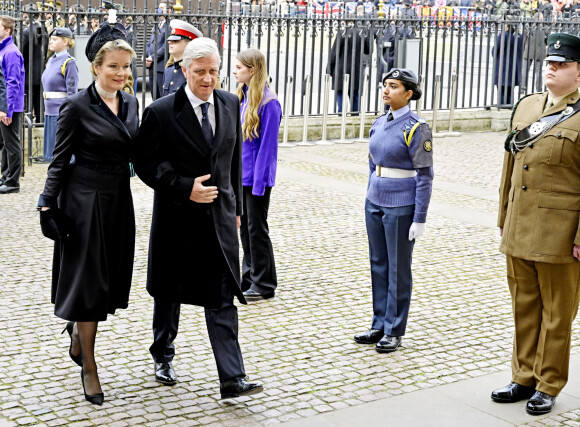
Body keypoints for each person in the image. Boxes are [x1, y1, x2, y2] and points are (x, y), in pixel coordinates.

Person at [134, 37, 263, 399]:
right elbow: (145, 164)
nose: (208, 79)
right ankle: (162, 353)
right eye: (200, 72)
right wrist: (183, 187)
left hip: (219, 218)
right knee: (169, 291)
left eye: (214, 71)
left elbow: (232, 161)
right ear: (185, 70)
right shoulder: (160, 111)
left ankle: (232, 378)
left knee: (222, 294)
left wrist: (235, 209)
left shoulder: (229, 102)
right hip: (177, 219)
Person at [37, 21, 139, 405]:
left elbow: (140, 156)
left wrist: (178, 182)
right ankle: (90, 366)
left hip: (117, 200)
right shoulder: (76, 105)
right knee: (88, 280)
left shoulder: (131, 103)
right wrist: (47, 204)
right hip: (82, 201)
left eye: (126, 67)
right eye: (113, 66)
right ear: (96, 67)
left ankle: (79, 333)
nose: (121, 74)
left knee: (107, 278)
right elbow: (58, 161)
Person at [493, 33, 580, 416]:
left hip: (560, 233)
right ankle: (522, 375)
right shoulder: (528, 106)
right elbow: (510, 165)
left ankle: (548, 383)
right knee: (524, 306)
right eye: (550, 62)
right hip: (521, 225)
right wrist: (503, 217)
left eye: (562, 64)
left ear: (579, 72)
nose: (552, 68)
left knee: (557, 314)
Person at [354, 68, 433, 354]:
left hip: (401, 203)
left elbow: (424, 175)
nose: (386, 91)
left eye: (394, 87)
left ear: (408, 94)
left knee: (398, 268)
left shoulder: (416, 127)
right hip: (375, 199)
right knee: (379, 263)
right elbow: (371, 160)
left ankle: (394, 328)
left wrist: (419, 217)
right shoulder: (379, 122)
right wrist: (370, 191)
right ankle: (379, 322)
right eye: (385, 85)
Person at [233, 49, 282, 301]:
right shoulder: (242, 96)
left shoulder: (269, 103)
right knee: (244, 230)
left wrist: (260, 184)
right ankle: (249, 276)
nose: (235, 71)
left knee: (257, 229)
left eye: (239, 67)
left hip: (257, 179)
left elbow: (268, 149)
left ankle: (264, 283)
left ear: (252, 70)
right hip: (241, 176)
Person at [41, 27, 78, 163]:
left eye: (54, 39)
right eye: (51, 39)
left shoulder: (69, 62)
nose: (51, 42)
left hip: (61, 112)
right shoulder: (51, 60)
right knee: (52, 155)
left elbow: (72, 92)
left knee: (62, 154)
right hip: (49, 111)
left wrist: (68, 113)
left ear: (65, 42)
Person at [0, 16, 25, 195]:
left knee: (11, 143)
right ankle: (5, 176)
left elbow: (12, 82)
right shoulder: (4, 50)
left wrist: (6, 108)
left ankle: (13, 181)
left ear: (7, 30)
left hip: (10, 106)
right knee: (5, 143)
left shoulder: (11, 52)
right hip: (4, 104)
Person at [326, 22, 370, 114]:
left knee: (340, 93)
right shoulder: (362, 34)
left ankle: (341, 114)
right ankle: (355, 114)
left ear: (344, 22)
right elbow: (367, 50)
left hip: (340, 68)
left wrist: (329, 69)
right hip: (356, 68)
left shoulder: (342, 33)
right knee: (354, 94)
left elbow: (334, 53)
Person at [161, 19, 201, 97]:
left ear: (188, 44)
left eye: (176, 41)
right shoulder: (168, 70)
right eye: (170, 40)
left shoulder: (195, 72)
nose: (170, 42)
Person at [493, 24, 523, 107]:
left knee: (502, 93)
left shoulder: (504, 35)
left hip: (503, 69)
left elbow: (494, 51)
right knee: (510, 93)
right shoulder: (519, 36)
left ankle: (502, 107)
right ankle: (510, 106)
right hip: (514, 69)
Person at [145, 1, 167, 99]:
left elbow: (165, 46)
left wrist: (152, 57)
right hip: (151, 66)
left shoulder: (169, 26)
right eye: (159, 7)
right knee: (154, 94)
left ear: (169, 11)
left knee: (161, 94)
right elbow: (150, 42)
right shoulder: (157, 24)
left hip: (160, 66)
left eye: (162, 7)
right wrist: (145, 56)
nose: (159, 10)